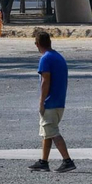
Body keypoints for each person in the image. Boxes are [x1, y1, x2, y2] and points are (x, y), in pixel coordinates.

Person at [28, 30, 75, 172]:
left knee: (52, 132)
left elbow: (45, 81)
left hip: (51, 102)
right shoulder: (58, 57)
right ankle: (44, 161)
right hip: (59, 101)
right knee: (47, 132)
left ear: (37, 44)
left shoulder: (45, 59)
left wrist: (41, 102)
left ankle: (67, 161)